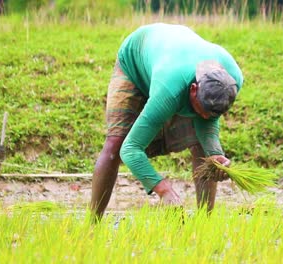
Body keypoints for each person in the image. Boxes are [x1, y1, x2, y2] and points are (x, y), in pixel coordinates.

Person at [90, 23, 243, 219]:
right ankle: (92, 224)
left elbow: (208, 120)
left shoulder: (233, 79)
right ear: (193, 90)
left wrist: (216, 155)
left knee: (202, 149)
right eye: (202, 110)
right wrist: (164, 190)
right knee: (116, 142)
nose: (204, 118)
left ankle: (206, 222)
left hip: (172, 55)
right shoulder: (170, 88)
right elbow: (130, 149)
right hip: (136, 58)